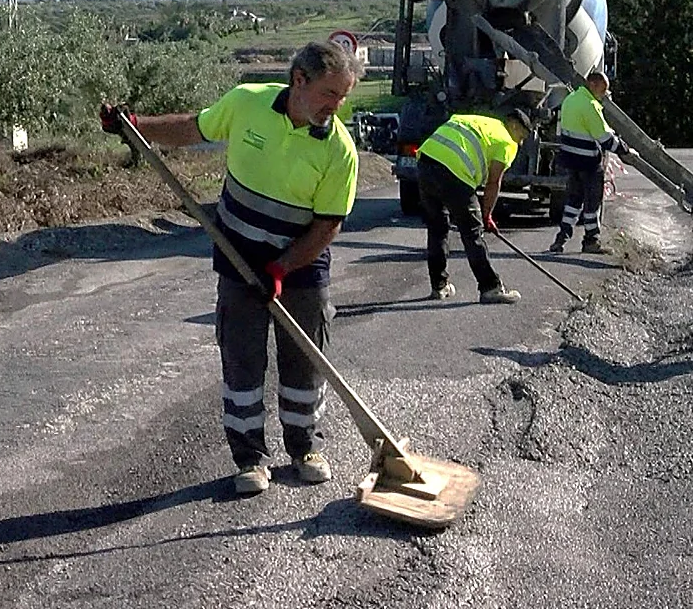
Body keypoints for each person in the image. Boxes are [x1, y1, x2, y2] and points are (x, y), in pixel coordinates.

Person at [100, 40, 364, 496]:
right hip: (239, 261)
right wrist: (136, 126)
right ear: (298, 80)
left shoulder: (339, 149)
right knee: (242, 363)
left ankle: (304, 448)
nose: (336, 106)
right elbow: (192, 128)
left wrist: (280, 269)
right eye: (329, 94)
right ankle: (250, 459)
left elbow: (327, 226)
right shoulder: (248, 104)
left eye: (343, 97)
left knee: (304, 363)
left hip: (299, 268)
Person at [415, 109, 532, 304]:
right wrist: (486, 216)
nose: (520, 143)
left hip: (426, 163)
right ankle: (490, 288)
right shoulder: (506, 142)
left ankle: (439, 286)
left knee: (437, 228)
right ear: (513, 125)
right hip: (455, 173)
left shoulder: (479, 122)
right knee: (472, 233)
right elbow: (494, 182)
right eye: (522, 136)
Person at [549, 70, 636, 254]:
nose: (604, 95)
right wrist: (625, 150)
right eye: (603, 90)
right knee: (592, 204)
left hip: (571, 161)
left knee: (573, 201)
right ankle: (591, 241)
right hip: (589, 162)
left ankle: (561, 238)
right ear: (593, 85)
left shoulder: (570, 100)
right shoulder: (590, 106)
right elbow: (605, 139)